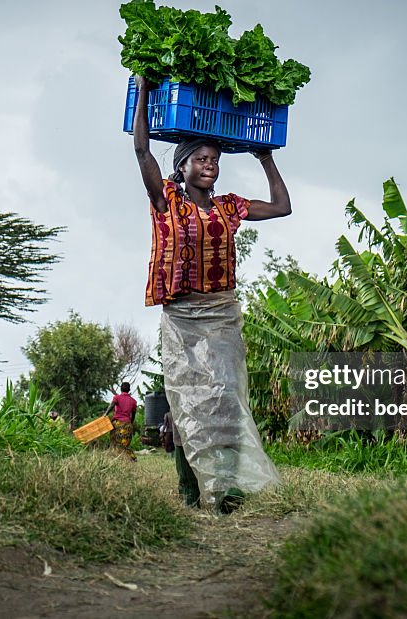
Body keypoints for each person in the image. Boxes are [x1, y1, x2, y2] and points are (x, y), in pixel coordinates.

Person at [132, 76, 287, 514]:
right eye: (201, 159)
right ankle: (192, 490)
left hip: (221, 314)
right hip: (182, 315)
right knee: (187, 401)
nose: (210, 166)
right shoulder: (166, 201)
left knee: (226, 398)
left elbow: (282, 207)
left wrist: (265, 157)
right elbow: (142, 151)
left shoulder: (228, 207)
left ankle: (227, 490)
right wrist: (143, 90)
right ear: (181, 167)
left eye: (215, 160)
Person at [105, 382, 138, 461]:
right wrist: (131, 423)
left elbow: (112, 405)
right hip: (127, 425)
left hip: (117, 424)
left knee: (115, 443)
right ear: (129, 390)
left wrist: (105, 414)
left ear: (120, 389)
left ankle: (119, 459)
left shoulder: (117, 397)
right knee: (125, 444)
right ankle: (131, 458)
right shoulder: (133, 401)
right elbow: (133, 415)